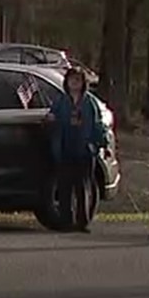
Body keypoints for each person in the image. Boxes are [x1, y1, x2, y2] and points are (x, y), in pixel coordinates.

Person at [48, 66, 109, 233]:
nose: (75, 83)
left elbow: (97, 124)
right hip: (65, 147)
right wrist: (52, 120)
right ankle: (66, 220)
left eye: (78, 80)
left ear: (83, 83)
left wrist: (100, 144)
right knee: (65, 187)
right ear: (66, 82)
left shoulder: (89, 102)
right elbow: (53, 117)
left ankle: (82, 222)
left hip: (84, 149)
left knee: (83, 187)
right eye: (71, 80)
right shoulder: (61, 101)